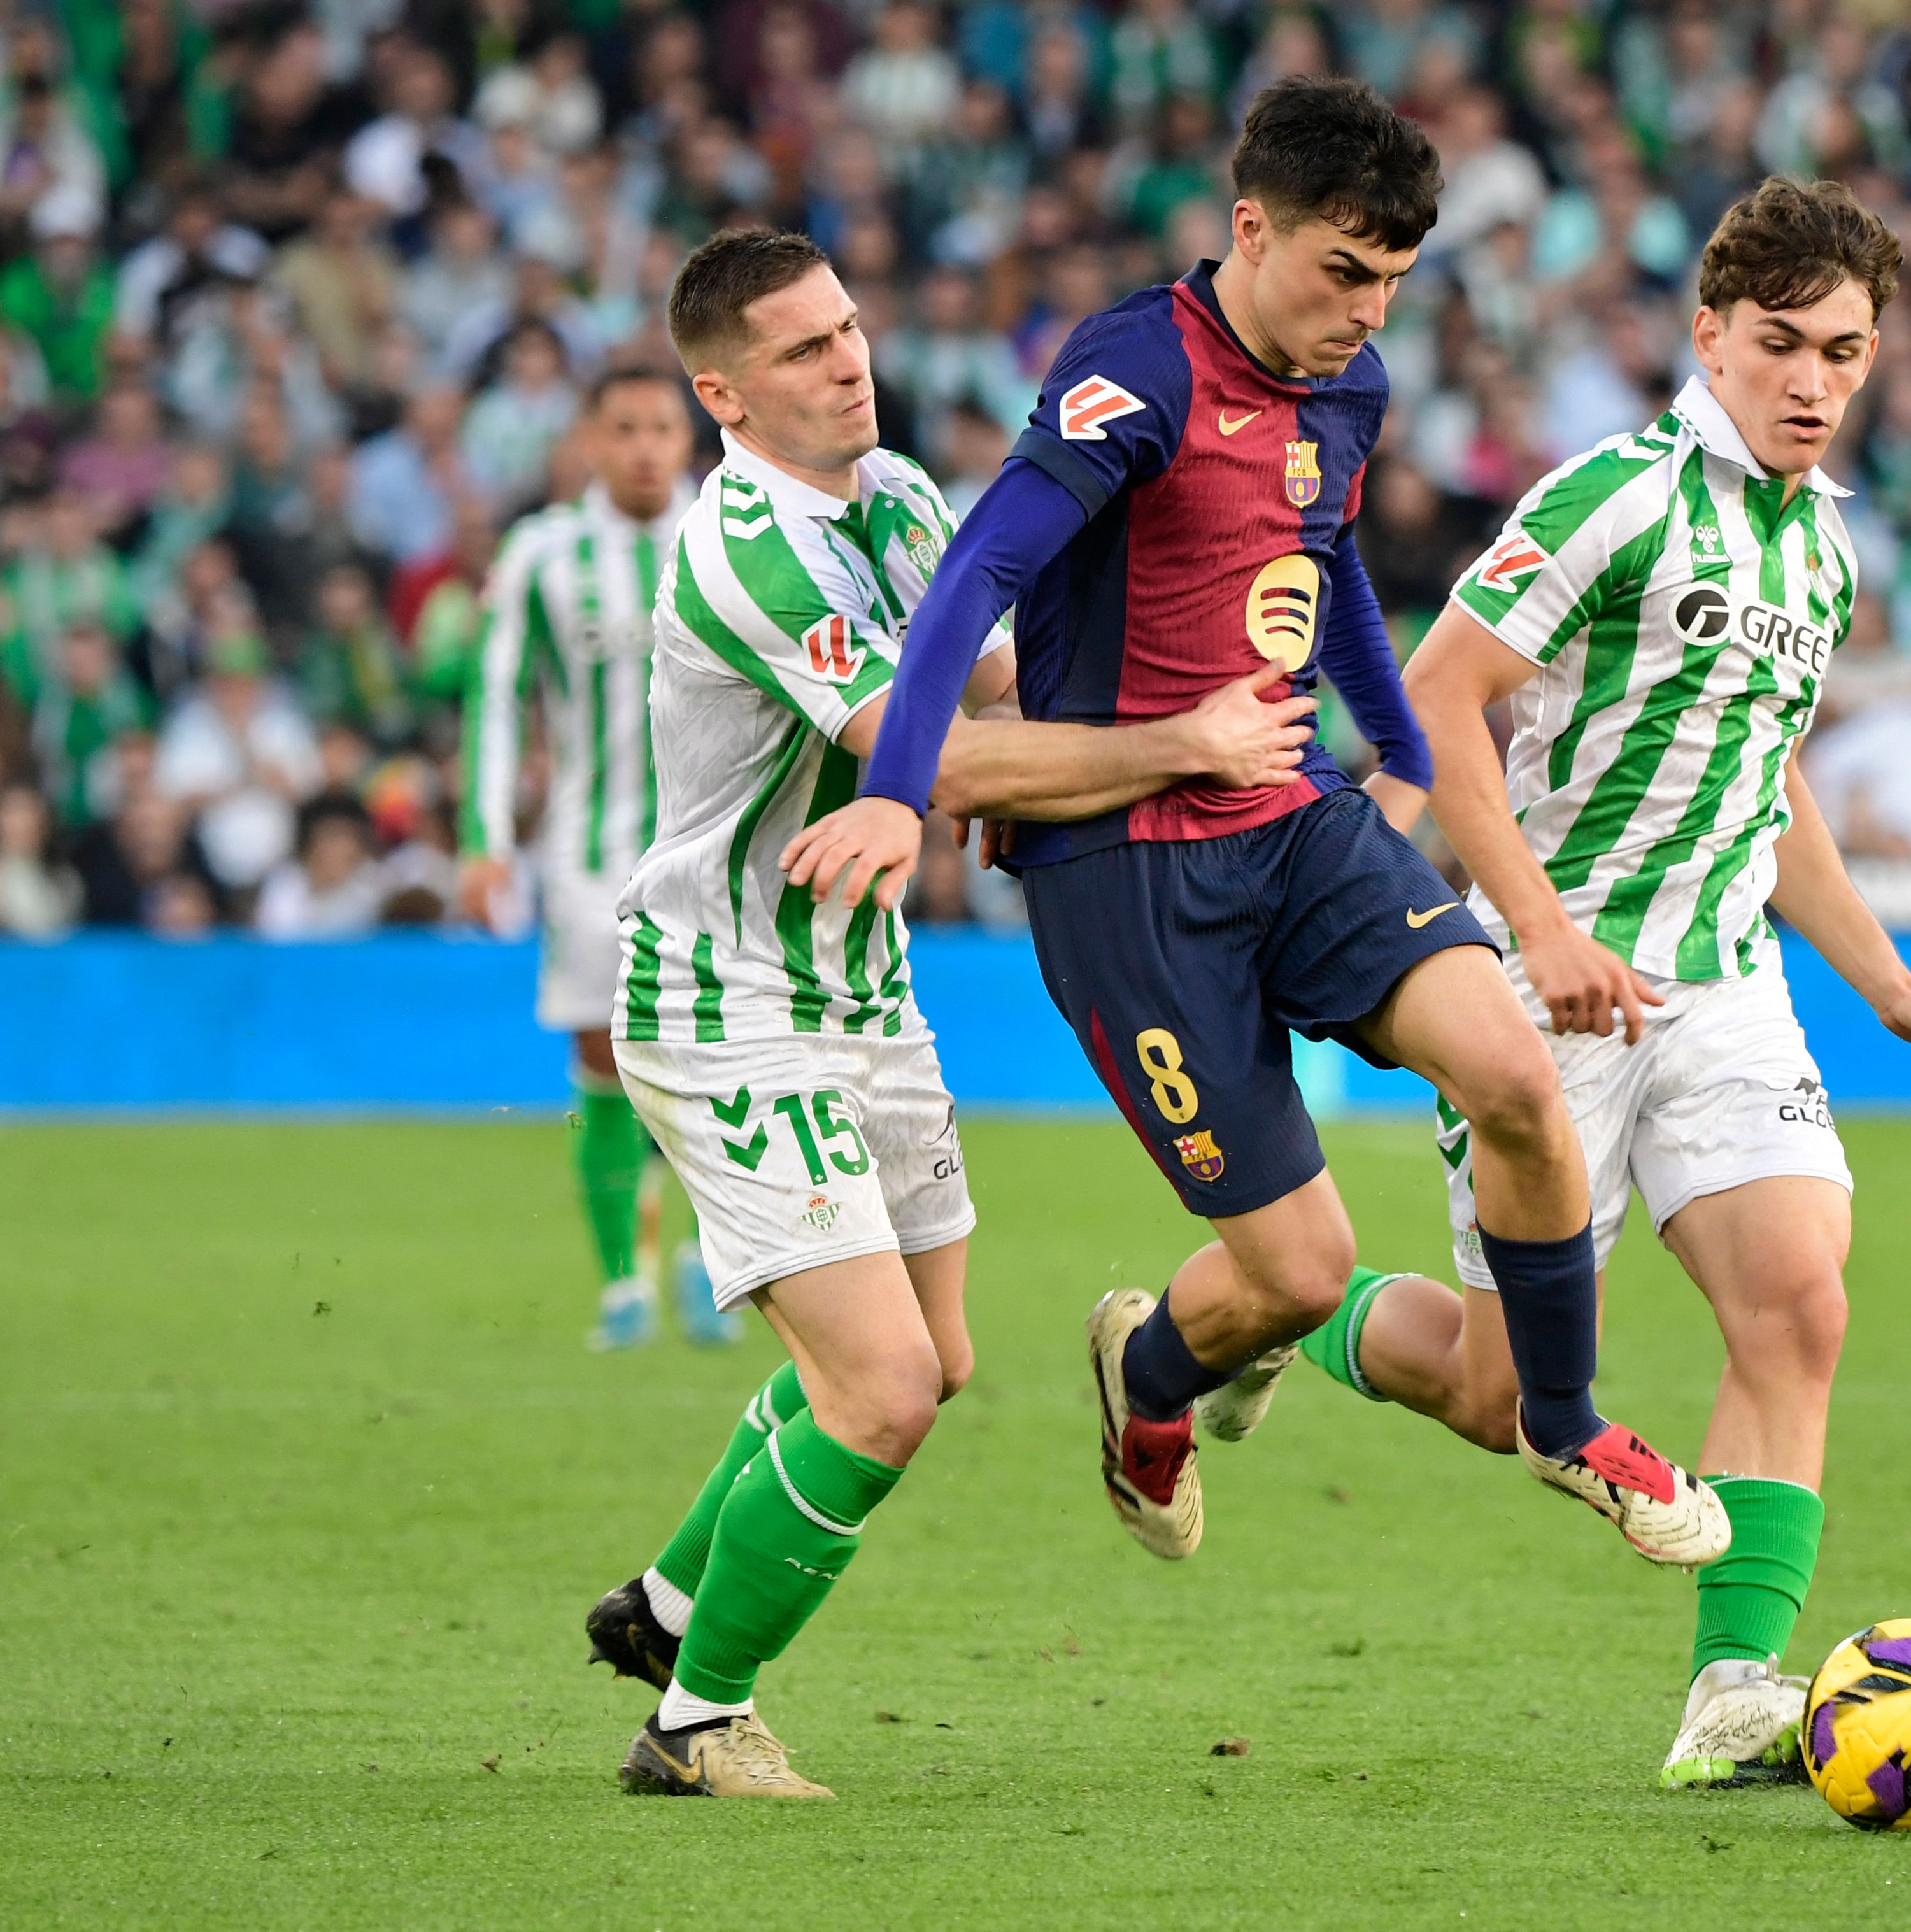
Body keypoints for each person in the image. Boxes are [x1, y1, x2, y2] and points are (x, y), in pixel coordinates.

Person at [779, 79, 1730, 1576]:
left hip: (1290, 816)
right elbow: (972, 577)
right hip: (1122, 873)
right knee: (1298, 1272)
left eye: (1392, 283)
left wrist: (1402, 754)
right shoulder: (1133, 371)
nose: (1365, 312)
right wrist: (901, 793)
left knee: (1523, 1077)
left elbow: (1326, 564)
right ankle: (1147, 1374)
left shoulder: (1347, 392)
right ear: (1249, 228)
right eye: (1341, 270)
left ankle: (1563, 1421)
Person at [1302, 178, 1911, 1790]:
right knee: (1499, 1398)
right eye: (1779, 345)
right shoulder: (1615, 498)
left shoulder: (1824, 543)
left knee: (1798, 1301)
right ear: (1710, 335)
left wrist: (1889, 982)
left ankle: (1732, 1687)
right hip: (1540, 993)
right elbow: (1436, 701)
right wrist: (1540, 925)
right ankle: (1295, 1316)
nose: (1812, 382)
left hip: (1722, 987)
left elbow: (1767, 787)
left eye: (1843, 351)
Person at [590, 228, 1319, 1801]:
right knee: (880, 1388)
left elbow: (989, 697)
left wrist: (1121, 723)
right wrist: (1187, 740)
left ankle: (661, 1605)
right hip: (729, 999)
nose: (847, 359)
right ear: (721, 391)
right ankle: (698, 1720)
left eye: (848, 328)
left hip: (865, 989)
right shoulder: (750, 551)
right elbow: (933, 757)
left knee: (936, 1353)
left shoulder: (905, 498)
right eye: (800, 350)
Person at [458, 368, 711, 1351]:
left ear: (689, 437)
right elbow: (494, 694)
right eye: (625, 428)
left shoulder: (732, 533)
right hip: (590, 851)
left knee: (717, 1052)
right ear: (590, 441)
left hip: (719, 848)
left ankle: (704, 1255)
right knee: (604, 1057)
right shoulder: (542, 554)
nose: (646, 446)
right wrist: (482, 838)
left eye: (662, 427)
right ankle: (623, 1281)